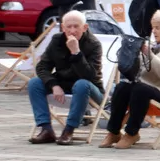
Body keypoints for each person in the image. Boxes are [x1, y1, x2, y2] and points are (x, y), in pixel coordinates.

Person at [101, 9, 160, 150]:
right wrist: (130, 56)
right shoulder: (153, 46)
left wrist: (149, 55)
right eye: (153, 27)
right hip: (148, 90)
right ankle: (114, 132)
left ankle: (131, 133)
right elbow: (139, 72)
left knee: (140, 89)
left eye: (158, 27)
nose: (154, 31)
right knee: (122, 87)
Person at [27, 10, 104, 146]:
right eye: (68, 27)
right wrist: (53, 85)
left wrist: (76, 52)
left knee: (82, 84)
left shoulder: (94, 44)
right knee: (34, 83)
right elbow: (42, 67)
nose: (72, 31)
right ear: (63, 28)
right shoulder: (57, 40)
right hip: (63, 84)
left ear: (85, 27)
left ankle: (69, 130)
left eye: (76, 26)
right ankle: (46, 130)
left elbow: (89, 76)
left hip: (90, 89)